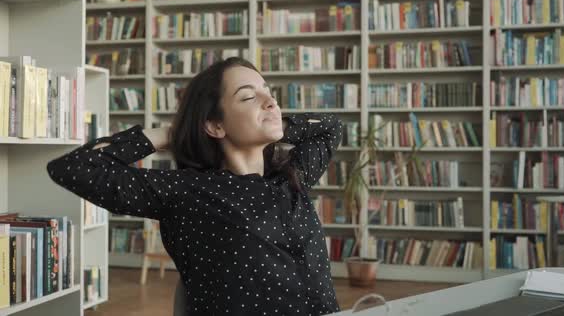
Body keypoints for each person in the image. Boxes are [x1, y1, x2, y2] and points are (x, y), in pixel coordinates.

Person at [46, 57, 343, 315]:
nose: (271, 101)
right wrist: (173, 133)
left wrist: (273, 121)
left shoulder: (292, 176)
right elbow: (73, 168)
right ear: (215, 125)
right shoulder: (188, 191)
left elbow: (331, 127)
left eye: (268, 92)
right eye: (248, 97)